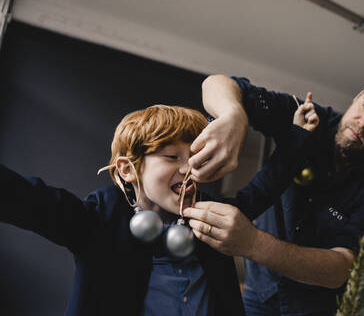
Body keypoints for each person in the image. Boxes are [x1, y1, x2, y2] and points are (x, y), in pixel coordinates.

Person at [0, 102, 318, 316]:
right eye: (171, 157)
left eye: (194, 156)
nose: (188, 167)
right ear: (128, 169)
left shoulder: (212, 213)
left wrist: (299, 136)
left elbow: (264, 188)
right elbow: (28, 200)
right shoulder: (99, 218)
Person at [183, 65, 364, 315]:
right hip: (259, 292)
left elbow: (340, 267)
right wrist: (234, 115)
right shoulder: (308, 118)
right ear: (359, 95)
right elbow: (218, 83)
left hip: (316, 307)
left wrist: (251, 243)